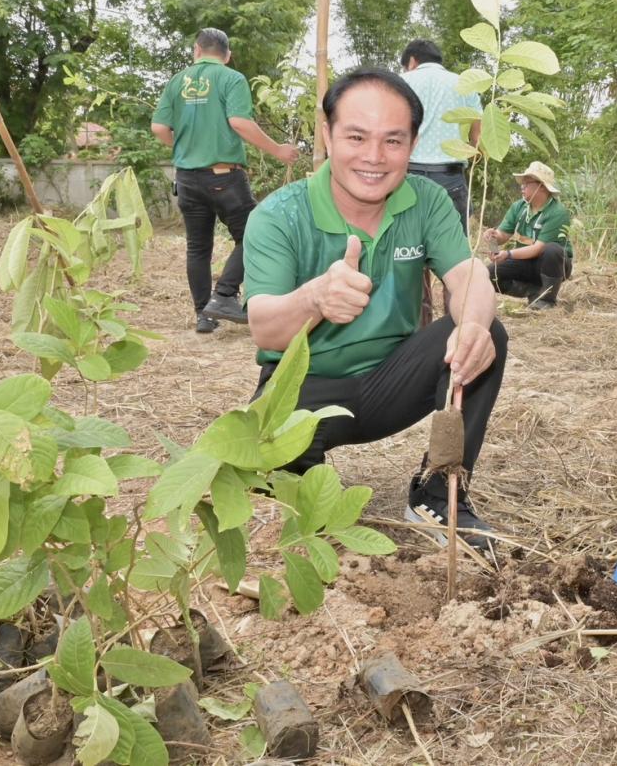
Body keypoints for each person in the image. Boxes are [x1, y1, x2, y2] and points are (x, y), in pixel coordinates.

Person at [244, 67, 508, 551]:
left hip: (392, 382)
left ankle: (438, 492)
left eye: (393, 140)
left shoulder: (427, 200)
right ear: (327, 134)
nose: (373, 157)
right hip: (305, 393)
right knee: (294, 519)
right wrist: (315, 298)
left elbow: (466, 275)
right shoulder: (279, 215)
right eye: (356, 137)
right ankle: (299, 477)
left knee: (485, 330)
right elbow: (263, 328)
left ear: (413, 144)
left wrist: (472, 324)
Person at [152, 28, 299, 334]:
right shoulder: (232, 79)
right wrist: (278, 150)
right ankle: (224, 294)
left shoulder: (177, 82)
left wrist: (186, 147)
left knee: (198, 247)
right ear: (227, 55)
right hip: (223, 177)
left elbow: (159, 128)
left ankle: (204, 316)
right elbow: (239, 122)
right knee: (258, 233)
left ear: (196, 50)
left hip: (187, 178)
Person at [399, 39, 482, 230]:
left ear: (412, 61)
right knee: (453, 250)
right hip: (450, 177)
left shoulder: (401, 83)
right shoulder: (464, 85)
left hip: (406, 176)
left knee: (404, 245)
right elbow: (478, 138)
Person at [484, 161, 574, 311]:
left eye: (527, 183)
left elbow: (538, 249)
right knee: (487, 275)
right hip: (523, 260)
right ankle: (534, 292)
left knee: (552, 250)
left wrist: (508, 254)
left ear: (542, 186)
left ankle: (546, 299)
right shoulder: (518, 207)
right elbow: (503, 234)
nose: (522, 186)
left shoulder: (558, 212)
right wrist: (493, 237)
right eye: (522, 183)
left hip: (552, 264)